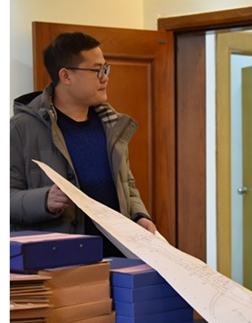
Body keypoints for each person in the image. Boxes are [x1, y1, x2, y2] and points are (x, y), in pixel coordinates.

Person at [10, 32, 156, 253]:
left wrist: (139, 215)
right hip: (63, 261)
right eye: (97, 70)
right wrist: (44, 200)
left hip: (119, 259)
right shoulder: (21, 128)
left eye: (105, 69)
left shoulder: (111, 125)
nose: (105, 78)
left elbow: (127, 183)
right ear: (66, 76)